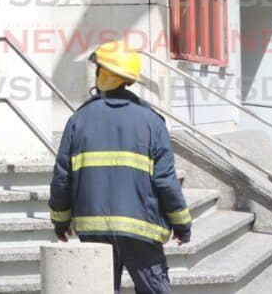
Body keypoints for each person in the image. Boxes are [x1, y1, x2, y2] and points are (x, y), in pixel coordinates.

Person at [48, 41, 192, 294]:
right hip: (142, 230)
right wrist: (182, 225)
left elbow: (62, 178)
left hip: (93, 230)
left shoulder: (78, 120)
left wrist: (60, 221)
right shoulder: (152, 122)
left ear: (103, 74)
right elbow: (166, 181)